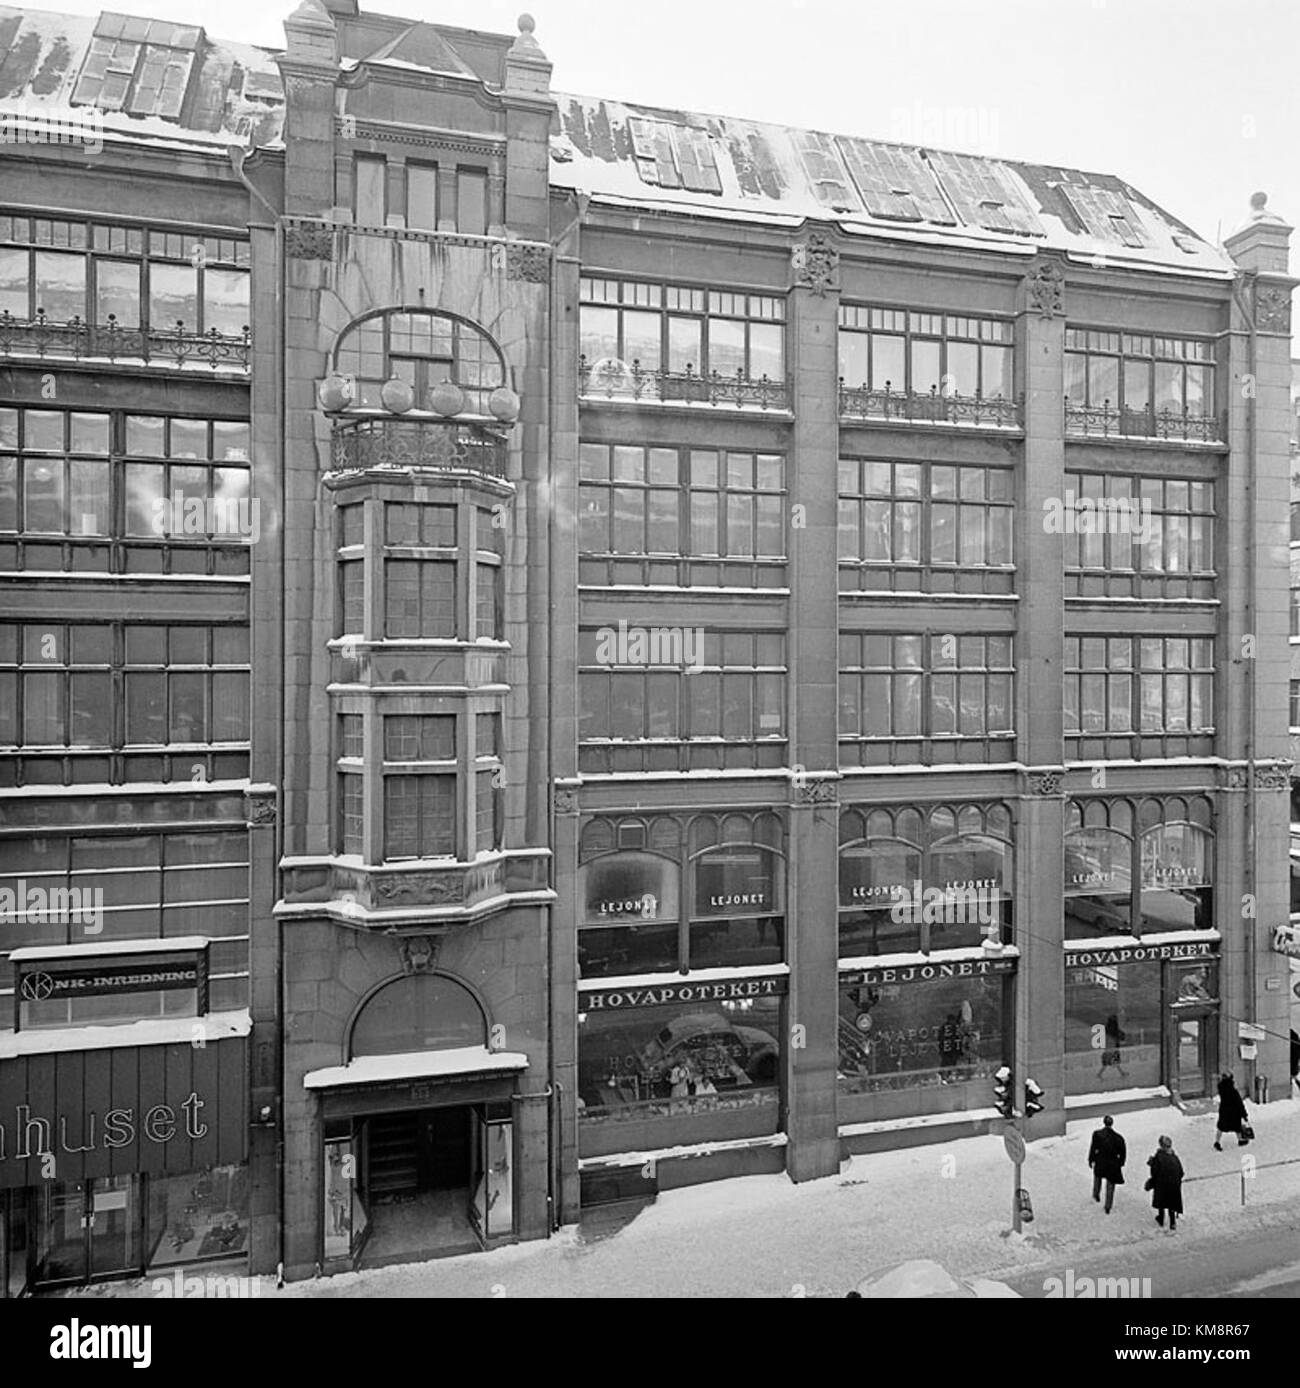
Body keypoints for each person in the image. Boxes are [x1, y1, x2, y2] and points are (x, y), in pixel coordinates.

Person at [1087, 1114, 1126, 1213]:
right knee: (1110, 1185)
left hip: (1100, 1160)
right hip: (1112, 1163)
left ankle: (1096, 1195)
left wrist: (1091, 1159)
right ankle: (1108, 1205)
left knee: (1097, 1178)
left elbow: (1093, 1148)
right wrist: (1120, 1163)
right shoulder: (1119, 1138)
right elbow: (1123, 1153)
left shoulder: (1097, 1134)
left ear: (1104, 1123)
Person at [1146, 1135, 1184, 1233]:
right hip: (1174, 1185)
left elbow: (1154, 1172)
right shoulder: (1175, 1157)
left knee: (1161, 1201)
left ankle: (1161, 1218)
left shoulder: (1159, 1156)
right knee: (1172, 1203)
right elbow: (1181, 1172)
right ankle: (1172, 1222)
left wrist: (1151, 1163)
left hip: (1162, 1184)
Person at [1214, 1072, 1249, 1149]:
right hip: (1234, 1111)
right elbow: (1239, 1103)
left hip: (1224, 1110)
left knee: (1221, 1127)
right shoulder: (1233, 1092)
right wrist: (1244, 1114)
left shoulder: (1221, 1088)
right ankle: (1240, 1140)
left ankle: (1217, 1142)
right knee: (1237, 1126)